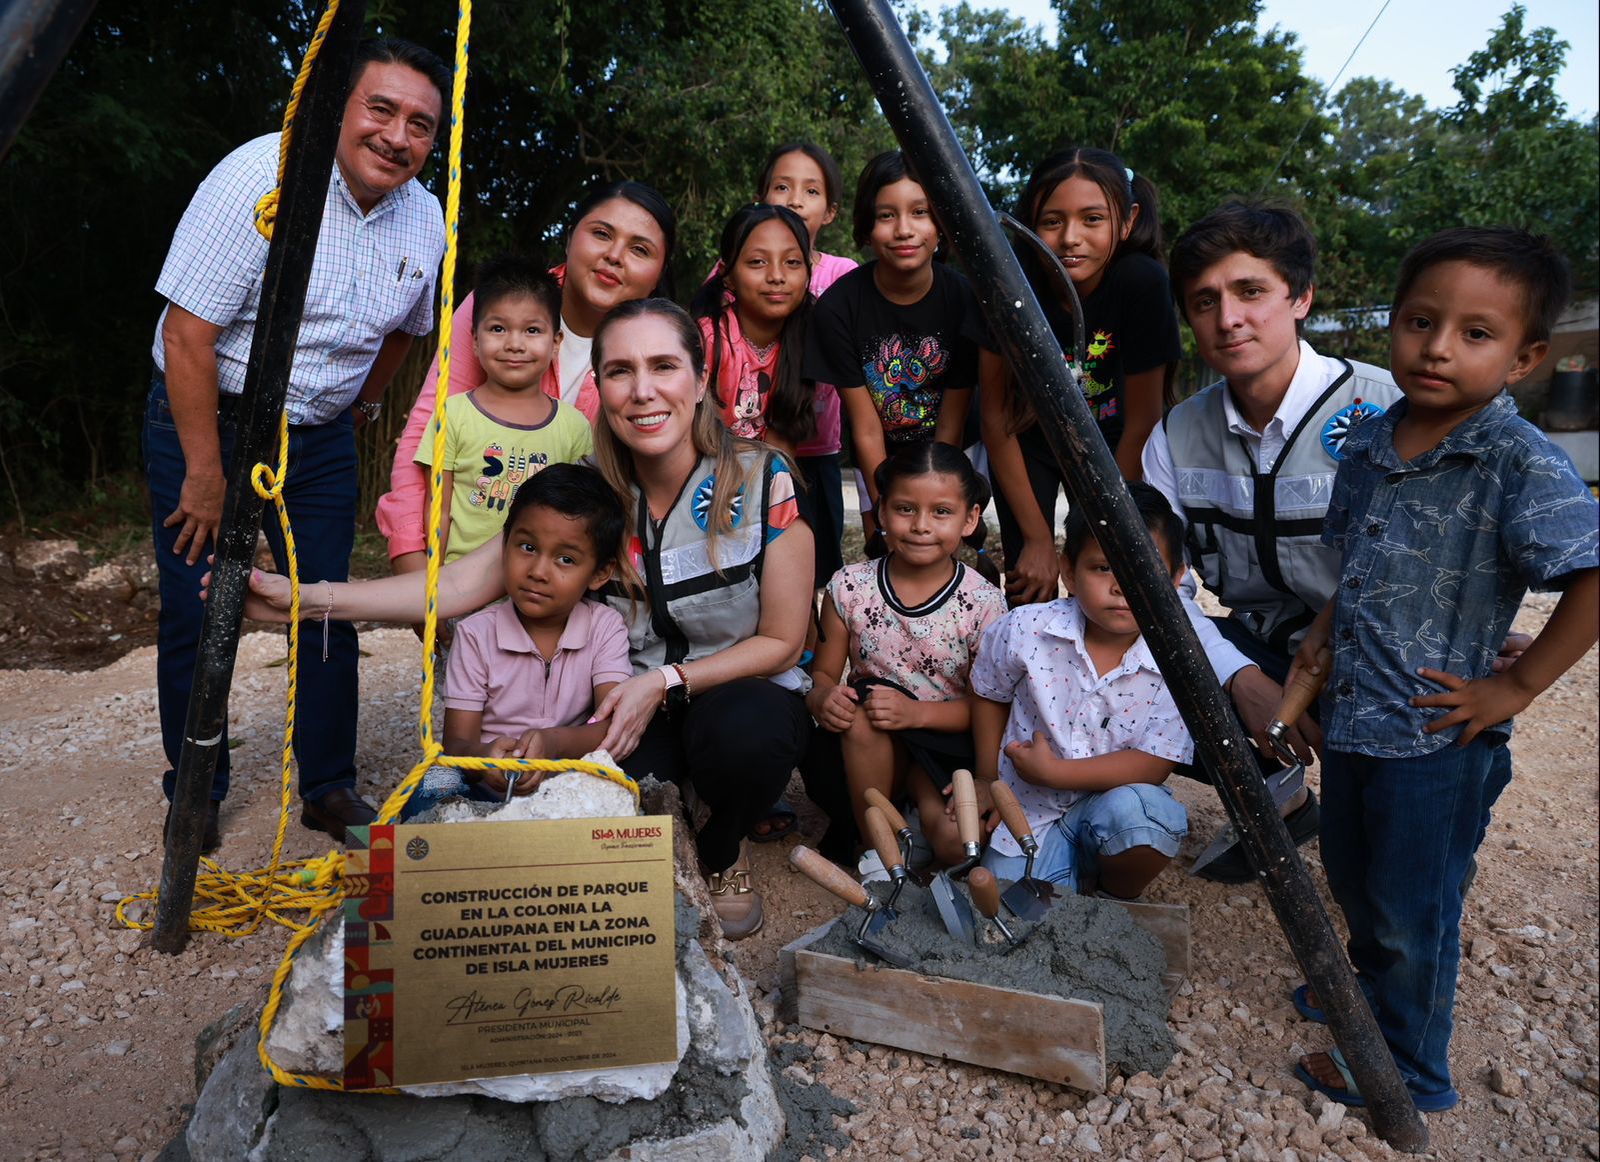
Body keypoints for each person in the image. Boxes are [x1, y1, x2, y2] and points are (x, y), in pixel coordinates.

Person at [237, 299, 816, 940]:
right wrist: (302, 600)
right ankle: (674, 807)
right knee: (564, 805)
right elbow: (454, 587)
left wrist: (664, 680)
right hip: (617, 708)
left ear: (700, 380)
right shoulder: (583, 492)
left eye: (664, 366)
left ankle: (721, 849)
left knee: (747, 737)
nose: (643, 391)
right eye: (621, 370)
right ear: (600, 385)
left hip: (728, 693)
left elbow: (785, 641)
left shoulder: (763, 481)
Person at [1288, 227, 1598, 1113]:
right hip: (1355, 716)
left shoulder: (1514, 460)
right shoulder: (1374, 443)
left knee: (1413, 906)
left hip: (1436, 737)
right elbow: (1363, 569)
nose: (1437, 347)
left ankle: (1408, 1067)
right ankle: (1366, 991)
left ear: (1525, 355)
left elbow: (1591, 574)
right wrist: (1322, 632)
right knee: (1352, 872)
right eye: (1422, 322)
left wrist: (1519, 683)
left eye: (1475, 333)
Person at [146, 36, 450, 850]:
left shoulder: (425, 217)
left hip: (320, 434)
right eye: (380, 110)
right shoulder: (260, 179)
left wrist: (361, 407)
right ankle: (196, 787)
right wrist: (204, 472)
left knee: (325, 607)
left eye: (420, 124)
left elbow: (408, 331)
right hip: (213, 415)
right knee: (197, 602)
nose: (397, 136)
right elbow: (187, 336)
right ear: (338, 107)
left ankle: (328, 786)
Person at [1141, 201, 1402, 883]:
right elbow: (1164, 591)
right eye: (1204, 301)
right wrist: (1243, 678)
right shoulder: (1174, 436)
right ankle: (1278, 801)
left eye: (1250, 291)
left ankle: (1405, 824)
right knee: (1127, 656)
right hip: (1260, 646)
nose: (1228, 318)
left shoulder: (1392, 409)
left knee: (1384, 876)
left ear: (1302, 297)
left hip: (1373, 657)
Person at [377, 180, 677, 572]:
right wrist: (415, 570)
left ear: (659, 273)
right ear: (569, 238)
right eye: (602, 234)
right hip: (467, 559)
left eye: (640, 249)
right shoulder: (500, 307)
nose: (614, 256)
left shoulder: (663, 351)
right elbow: (429, 432)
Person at [980, 146, 1183, 605]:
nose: (1071, 237)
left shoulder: (1142, 282)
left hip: (1114, 442)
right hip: (1027, 437)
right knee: (1030, 578)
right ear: (1031, 224)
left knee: (1107, 569)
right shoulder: (1006, 280)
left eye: (1093, 219)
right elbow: (995, 420)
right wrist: (1036, 540)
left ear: (1127, 221)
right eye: (1052, 221)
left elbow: (1143, 421)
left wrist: (1104, 523)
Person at [973, 483, 1193, 901]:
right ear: (1069, 572)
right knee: (1014, 911)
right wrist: (987, 778)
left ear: (1176, 578)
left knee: (1146, 818)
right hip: (1028, 812)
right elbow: (988, 693)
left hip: (1114, 807)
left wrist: (1056, 773)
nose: (1122, 586)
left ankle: (1115, 892)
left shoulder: (1178, 659)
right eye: (1103, 568)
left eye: (1144, 567)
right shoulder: (1026, 630)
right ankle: (1070, 877)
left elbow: (1153, 763)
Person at [806, 443, 1006, 869]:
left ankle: (919, 820)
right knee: (862, 709)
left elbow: (989, 707)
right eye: (905, 509)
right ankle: (881, 853)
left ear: (970, 519)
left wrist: (915, 715)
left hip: (949, 746)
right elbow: (821, 673)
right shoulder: (849, 587)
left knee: (956, 846)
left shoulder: (984, 603)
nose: (920, 526)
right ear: (880, 513)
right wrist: (823, 697)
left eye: (941, 512)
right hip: (871, 746)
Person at [401, 463, 631, 817]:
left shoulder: (606, 628)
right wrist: (486, 760)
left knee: (617, 788)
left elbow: (610, 727)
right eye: (526, 547)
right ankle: (446, 846)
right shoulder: (476, 634)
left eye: (565, 559)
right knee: (433, 783)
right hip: (484, 781)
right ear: (504, 543)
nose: (538, 572)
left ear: (600, 572)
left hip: (565, 776)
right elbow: (457, 743)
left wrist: (553, 745)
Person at [804, 150, 985, 550]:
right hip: (882, 455)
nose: (904, 229)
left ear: (941, 224)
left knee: (949, 551)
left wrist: (938, 500)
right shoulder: (838, 308)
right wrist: (885, 514)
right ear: (867, 227)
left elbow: (951, 423)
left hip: (955, 449)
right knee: (884, 552)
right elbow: (865, 428)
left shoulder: (965, 300)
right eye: (887, 215)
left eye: (920, 212)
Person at [416, 257, 592, 566]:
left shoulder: (574, 427)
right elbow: (438, 511)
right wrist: (435, 593)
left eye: (532, 330)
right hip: (462, 594)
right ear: (474, 341)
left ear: (555, 343)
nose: (514, 343)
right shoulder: (453, 416)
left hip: (539, 593)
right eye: (498, 328)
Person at [757, 141, 858, 588]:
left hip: (818, 453)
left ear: (830, 211)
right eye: (782, 186)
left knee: (818, 564)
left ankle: (812, 649)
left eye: (811, 191)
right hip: (747, 447)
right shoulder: (738, 266)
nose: (795, 199)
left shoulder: (842, 275)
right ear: (762, 197)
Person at [691, 204, 815, 458]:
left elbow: (783, 443)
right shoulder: (708, 340)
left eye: (792, 262)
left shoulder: (806, 339)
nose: (777, 276)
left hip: (762, 480)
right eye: (758, 262)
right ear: (728, 276)